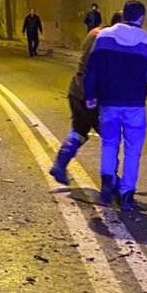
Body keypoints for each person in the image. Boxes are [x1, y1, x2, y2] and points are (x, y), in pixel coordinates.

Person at [84, 0, 147, 211]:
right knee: (132, 150)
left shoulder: (104, 37)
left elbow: (92, 68)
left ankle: (106, 186)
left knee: (109, 144)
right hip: (134, 107)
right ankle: (126, 195)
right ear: (141, 17)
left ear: (124, 15)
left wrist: (90, 94)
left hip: (109, 104)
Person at [49, 11, 123, 185]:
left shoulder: (94, 33)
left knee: (80, 131)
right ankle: (111, 182)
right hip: (92, 97)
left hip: (76, 90)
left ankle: (59, 165)